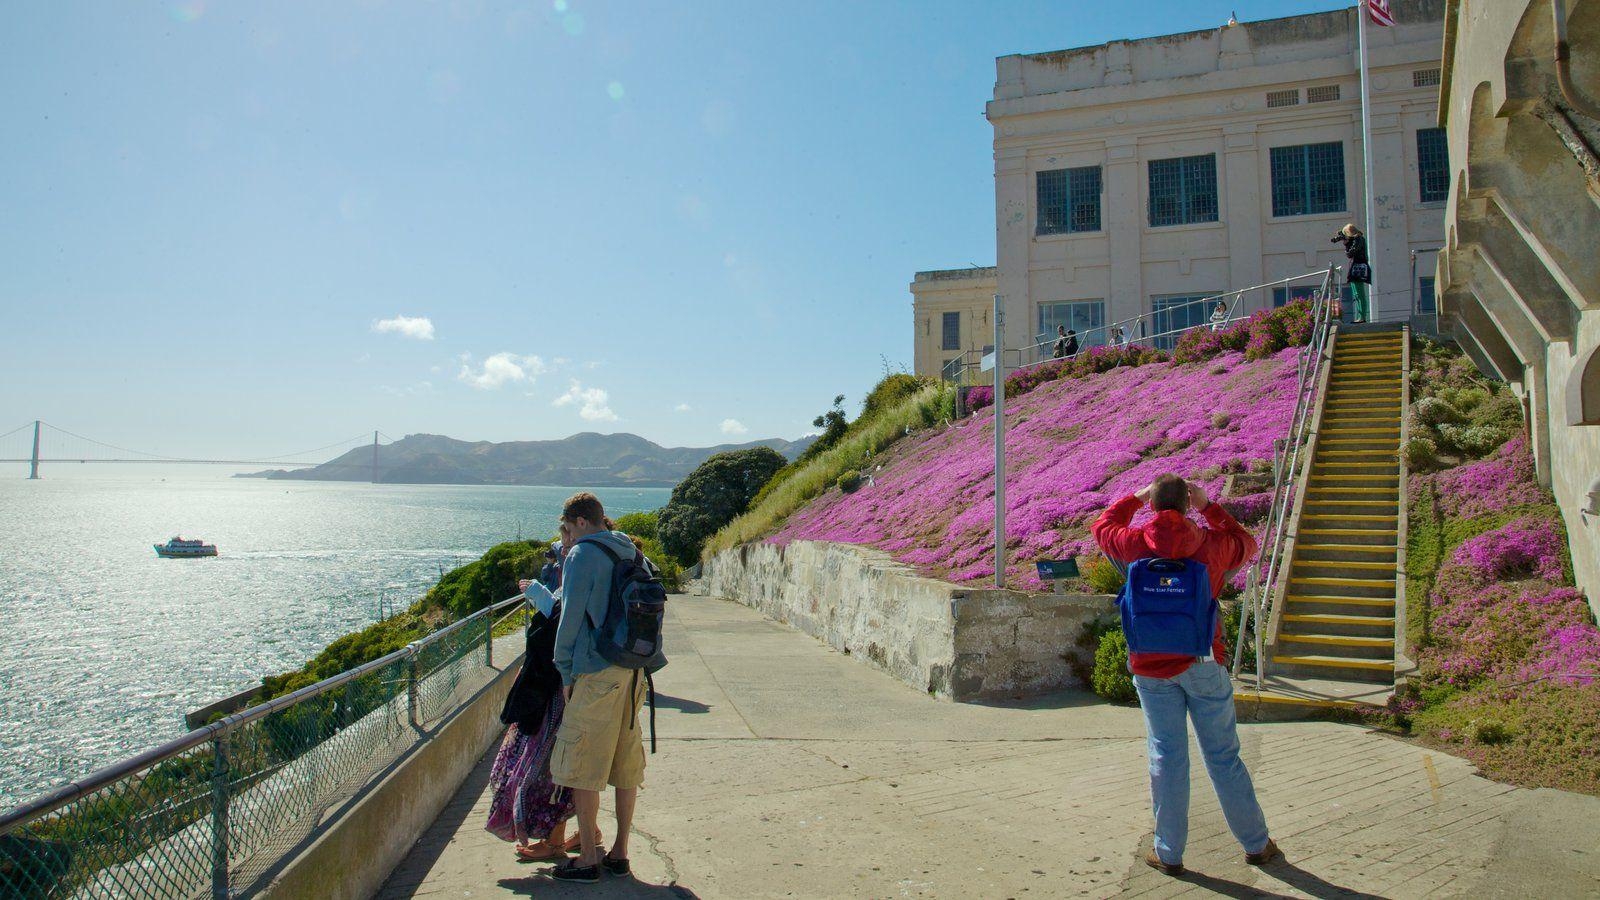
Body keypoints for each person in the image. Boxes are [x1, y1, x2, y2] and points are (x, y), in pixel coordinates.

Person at [1090, 474, 1280, 877]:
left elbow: (1102, 527)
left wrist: (1134, 500)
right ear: (1187, 503)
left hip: (1151, 668)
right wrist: (1210, 507)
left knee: (1166, 756)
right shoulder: (1211, 545)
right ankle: (1256, 844)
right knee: (1223, 757)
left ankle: (1169, 851)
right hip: (1203, 662)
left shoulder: (1135, 543)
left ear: (1155, 505)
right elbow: (1247, 543)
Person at [549, 492, 654, 883]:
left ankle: (588, 859)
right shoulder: (630, 549)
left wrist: (565, 672)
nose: (567, 537)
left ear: (578, 521)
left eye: (566, 528)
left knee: (582, 767)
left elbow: (570, 618)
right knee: (626, 766)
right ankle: (620, 852)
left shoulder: (581, 554)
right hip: (633, 670)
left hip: (595, 671)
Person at [484, 531, 599, 860]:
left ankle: (555, 841)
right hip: (568, 688)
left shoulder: (578, 575)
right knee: (565, 768)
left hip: (558, 691)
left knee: (552, 769)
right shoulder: (588, 572)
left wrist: (538, 595)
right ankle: (583, 833)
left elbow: (561, 627)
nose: (561, 548)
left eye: (564, 538)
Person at [1333, 224, 1372, 323]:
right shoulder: (1357, 239)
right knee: (1356, 293)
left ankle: (1362, 317)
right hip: (1357, 267)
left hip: (1358, 268)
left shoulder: (1358, 239)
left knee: (1359, 293)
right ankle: (1360, 316)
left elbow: (1350, 253)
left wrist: (1346, 244)